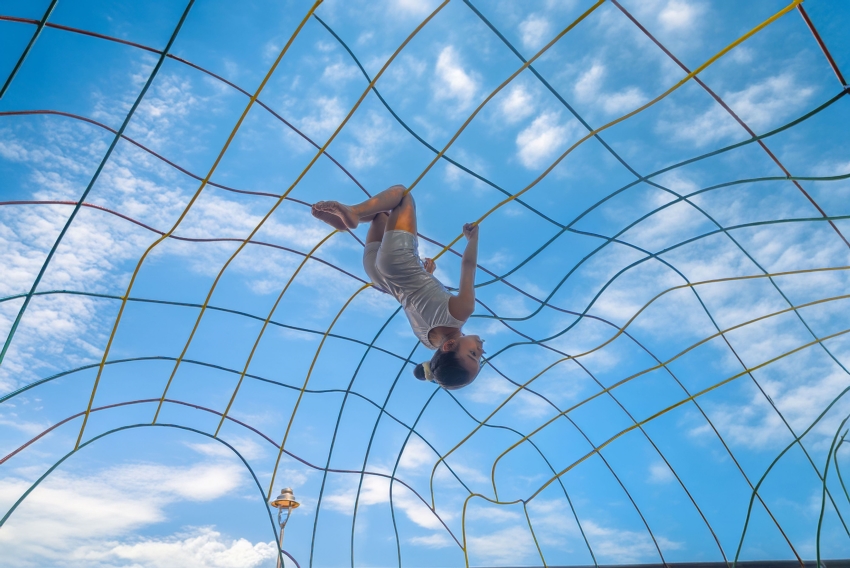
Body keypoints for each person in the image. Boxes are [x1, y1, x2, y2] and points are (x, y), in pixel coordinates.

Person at [312, 185, 485, 389]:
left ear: (449, 346)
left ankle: (353, 212)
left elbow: (468, 266)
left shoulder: (463, 310)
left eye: (472, 354)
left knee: (402, 196)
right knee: (381, 213)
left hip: (399, 261)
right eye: (480, 357)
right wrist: (427, 276)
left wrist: (472, 239)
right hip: (379, 275)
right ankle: (345, 221)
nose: (480, 349)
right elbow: (419, 304)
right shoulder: (429, 342)